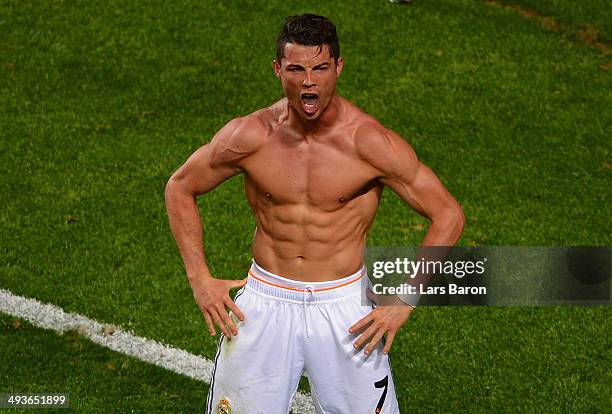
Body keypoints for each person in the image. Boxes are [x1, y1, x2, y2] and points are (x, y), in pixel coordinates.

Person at [165, 13, 464, 414]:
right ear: (277, 69)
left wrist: (404, 301)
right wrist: (198, 278)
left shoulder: (369, 143)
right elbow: (180, 187)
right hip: (265, 303)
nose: (309, 81)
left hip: (345, 310)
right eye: (297, 69)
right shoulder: (251, 136)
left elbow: (447, 215)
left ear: (338, 67)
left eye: (321, 68)